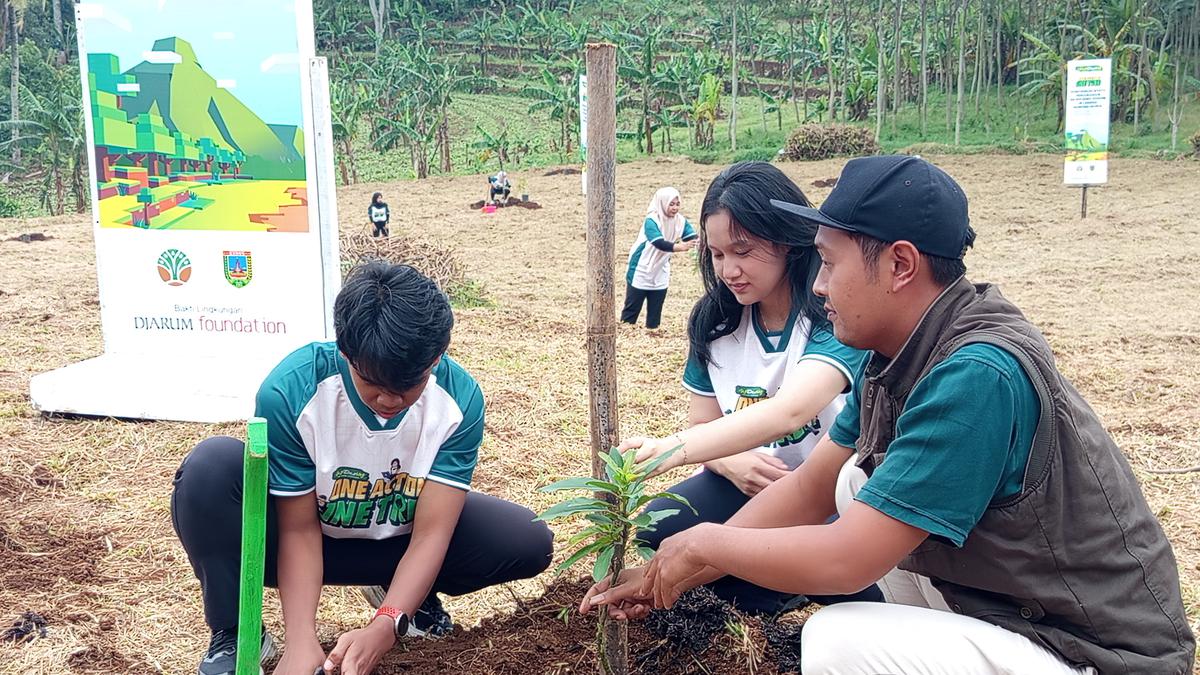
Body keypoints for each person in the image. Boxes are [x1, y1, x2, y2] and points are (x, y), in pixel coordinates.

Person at [582, 155, 1194, 674]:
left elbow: (850, 559)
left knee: (837, 643)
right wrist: (674, 570)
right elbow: (811, 487)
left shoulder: (975, 374)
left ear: (900, 265)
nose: (818, 285)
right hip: (1014, 611)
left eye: (829, 261)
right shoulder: (901, 353)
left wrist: (704, 542)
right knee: (855, 480)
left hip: (1095, 654)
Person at [172, 262, 553, 675]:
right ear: (345, 352)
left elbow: (432, 533)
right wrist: (302, 643)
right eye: (372, 383)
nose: (389, 401)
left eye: (408, 387)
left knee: (525, 538)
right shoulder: (291, 391)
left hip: (396, 537)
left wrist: (388, 623)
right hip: (304, 536)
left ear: (436, 359)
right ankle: (235, 632)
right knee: (209, 470)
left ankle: (401, 592)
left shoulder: (458, 401)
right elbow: (298, 528)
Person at [619, 162, 879, 615]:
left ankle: (791, 582)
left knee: (861, 593)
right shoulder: (714, 323)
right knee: (659, 529)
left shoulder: (832, 314)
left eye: (743, 250)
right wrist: (733, 462)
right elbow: (704, 423)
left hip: (831, 489)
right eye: (718, 254)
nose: (729, 270)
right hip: (755, 486)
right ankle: (763, 603)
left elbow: (791, 411)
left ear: (786, 241)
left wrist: (668, 451)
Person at [620, 187, 699, 329]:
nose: (675, 208)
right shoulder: (652, 220)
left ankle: (652, 333)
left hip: (661, 268)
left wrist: (702, 243)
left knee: (655, 310)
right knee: (632, 308)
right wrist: (679, 247)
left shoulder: (680, 221)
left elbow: (692, 238)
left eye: (677, 204)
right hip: (641, 267)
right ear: (662, 203)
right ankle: (625, 332)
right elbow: (658, 242)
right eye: (671, 204)